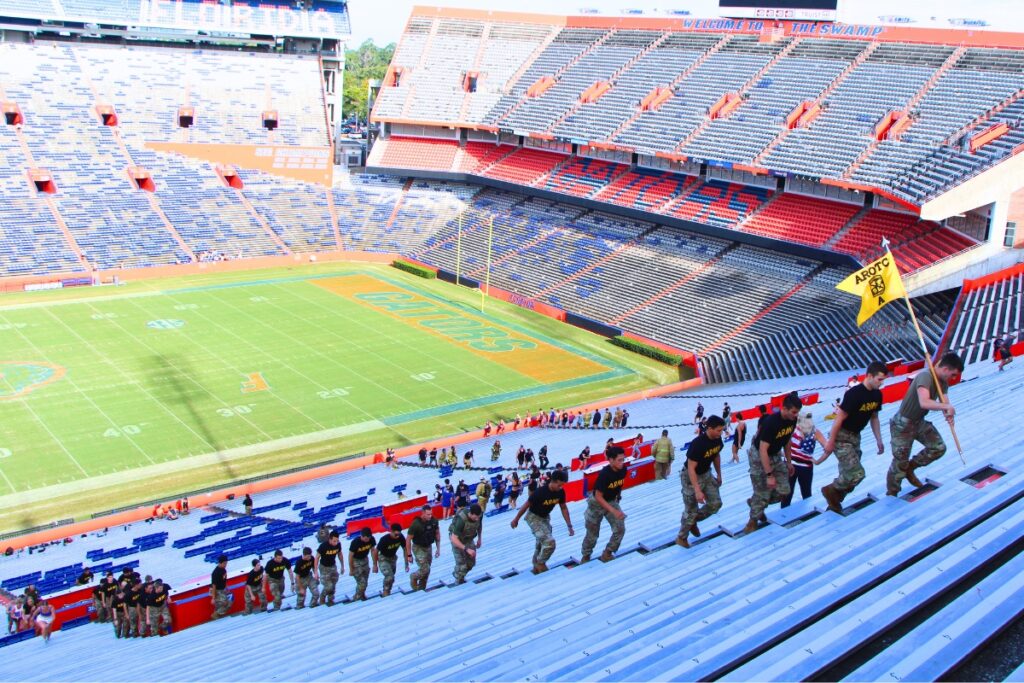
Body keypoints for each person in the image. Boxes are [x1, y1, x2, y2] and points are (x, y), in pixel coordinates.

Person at [887, 352, 963, 497]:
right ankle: (892, 492)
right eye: (953, 374)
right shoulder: (925, 376)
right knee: (899, 462)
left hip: (918, 422)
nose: (953, 378)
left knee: (938, 448)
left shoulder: (943, 382)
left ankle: (911, 467)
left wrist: (948, 413)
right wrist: (946, 407)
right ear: (946, 369)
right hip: (902, 424)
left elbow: (944, 402)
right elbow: (925, 402)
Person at [821, 361, 887, 513]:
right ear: (869, 376)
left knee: (850, 475)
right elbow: (839, 418)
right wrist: (831, 442)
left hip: (855, 436)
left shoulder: (877, 395)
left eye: (883, 380)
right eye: (879, 379)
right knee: (857, 473)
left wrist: (879, 439)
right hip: (841, 436)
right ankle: (831, 490)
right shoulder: (854, 394)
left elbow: (874, 417)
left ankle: (834, 501)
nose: (882, 383)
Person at [743, 393, 802, 534]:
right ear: (785, 409)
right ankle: (752, 521)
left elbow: (787, 440)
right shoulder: (771, 422)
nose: (796, 415)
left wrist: (789, 462)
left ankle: (755, 503)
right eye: (794, 412)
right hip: (759, 456)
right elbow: (763, 449)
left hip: (775, 454)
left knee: (784, 491)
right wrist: (769, 475)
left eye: (797, 412)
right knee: (762, 491)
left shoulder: (792, 420)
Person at [511, 469, 574, 573]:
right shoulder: (541, 492)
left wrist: (569, 526)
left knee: (541, 544)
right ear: (554, 481)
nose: (561, 487)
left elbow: (563, 508)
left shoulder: (560, 492)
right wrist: (516, 519)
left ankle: (535, 565)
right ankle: (540, 563)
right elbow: (526, 505)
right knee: (549, 542)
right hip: (534, 517)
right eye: (559, 485)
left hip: (545, 518)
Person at [677, 415, 726, 548]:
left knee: (716, 503)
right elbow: (691, 468)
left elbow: (716, 455)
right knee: (691, 510)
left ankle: (693, 521)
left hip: (706, 473)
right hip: (690, 477)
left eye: (722, 430)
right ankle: (682, 538)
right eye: (718, 430)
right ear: (709, 428)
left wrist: (719, 474)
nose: (720, 433)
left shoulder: (717, 439)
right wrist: (697, 490)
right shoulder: (698, 444)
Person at [580, 446, 628, 563]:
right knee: (592, 533)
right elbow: (598, 496)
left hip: (611, 500)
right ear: (611, 460)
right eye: (619, 460)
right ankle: (586, 556)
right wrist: (613, 511)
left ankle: (607, 553)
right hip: (596, 503)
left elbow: (619, 485)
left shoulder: (623, 470)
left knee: (620, 528)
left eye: (623, 459)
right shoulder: (605, 474)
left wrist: (617, 497)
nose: (622, 462)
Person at [781, 412, 829, 507]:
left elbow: (779, 444)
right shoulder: (814, 431)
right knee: (806, 494)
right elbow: (828, 448)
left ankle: (783, 517)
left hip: (791, 465)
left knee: (787, 495)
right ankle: (808, 516)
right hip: (804, 467)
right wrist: (818, 461)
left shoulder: (792, 429)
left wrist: (784, 456)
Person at [407, 505, 441, 591]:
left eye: (431, 514)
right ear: (422, 513)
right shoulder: (416, 524)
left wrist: (438, 548)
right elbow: (408, 539)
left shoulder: (434, 521)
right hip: (418, 547)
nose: (430, 516)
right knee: (425, 569)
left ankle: (421, 589)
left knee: (427, 570)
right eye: (428, 514)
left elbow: (437, 534)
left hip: (428, 546)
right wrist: (409, 555)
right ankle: (413, 576)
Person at [450, 504, 484, 585]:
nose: (477, 519)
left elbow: (479, 526)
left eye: (478, 517)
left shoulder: (479, 515)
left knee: (471, 563)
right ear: (471, 513)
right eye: (475, 517)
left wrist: (479, 538)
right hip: (457, 540)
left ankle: (458, 573)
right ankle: (458, 581)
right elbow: (454, 538)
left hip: (468, 538)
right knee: (462, 565)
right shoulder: (461, 520)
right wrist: (466, 549)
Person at [376, 524, 409, 597]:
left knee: (392, 577)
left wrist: (406, 563)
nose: (397, 536)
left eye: (399, 534)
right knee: (389, 576)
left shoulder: (400, 537)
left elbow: (405, 549)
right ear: (391, 531)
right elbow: (376, 551)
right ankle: (385, 592)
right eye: (396, 534)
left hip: (392, 558)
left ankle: (388, 591)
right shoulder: (384, 539)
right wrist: (375, 565)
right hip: (383, 558)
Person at [348, 528, 378, 601]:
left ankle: (362, 595)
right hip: (356, 561)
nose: (366, 540)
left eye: (368, 539)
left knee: (365, 581)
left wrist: (375, 564)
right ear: (361, 536)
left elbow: (373, 551)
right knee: (362, 583)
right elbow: (350, 556)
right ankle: (356, 598)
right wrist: (351, 569)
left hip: (365, 560)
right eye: (365, 539)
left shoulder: (371, 539)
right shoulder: (355, 542)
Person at [316, 531, 343, 606]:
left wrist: (342, 566)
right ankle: (322, 597)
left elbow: (340, 554)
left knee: (334, 583)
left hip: (333, 566)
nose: (336, 542)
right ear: (330, 539)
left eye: (337, 541)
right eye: (334, 541)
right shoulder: (323, 546)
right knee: (328, 586)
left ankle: (331, 600)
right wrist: (315, 572)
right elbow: (317, 557)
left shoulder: (338, 545)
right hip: (324, 567)